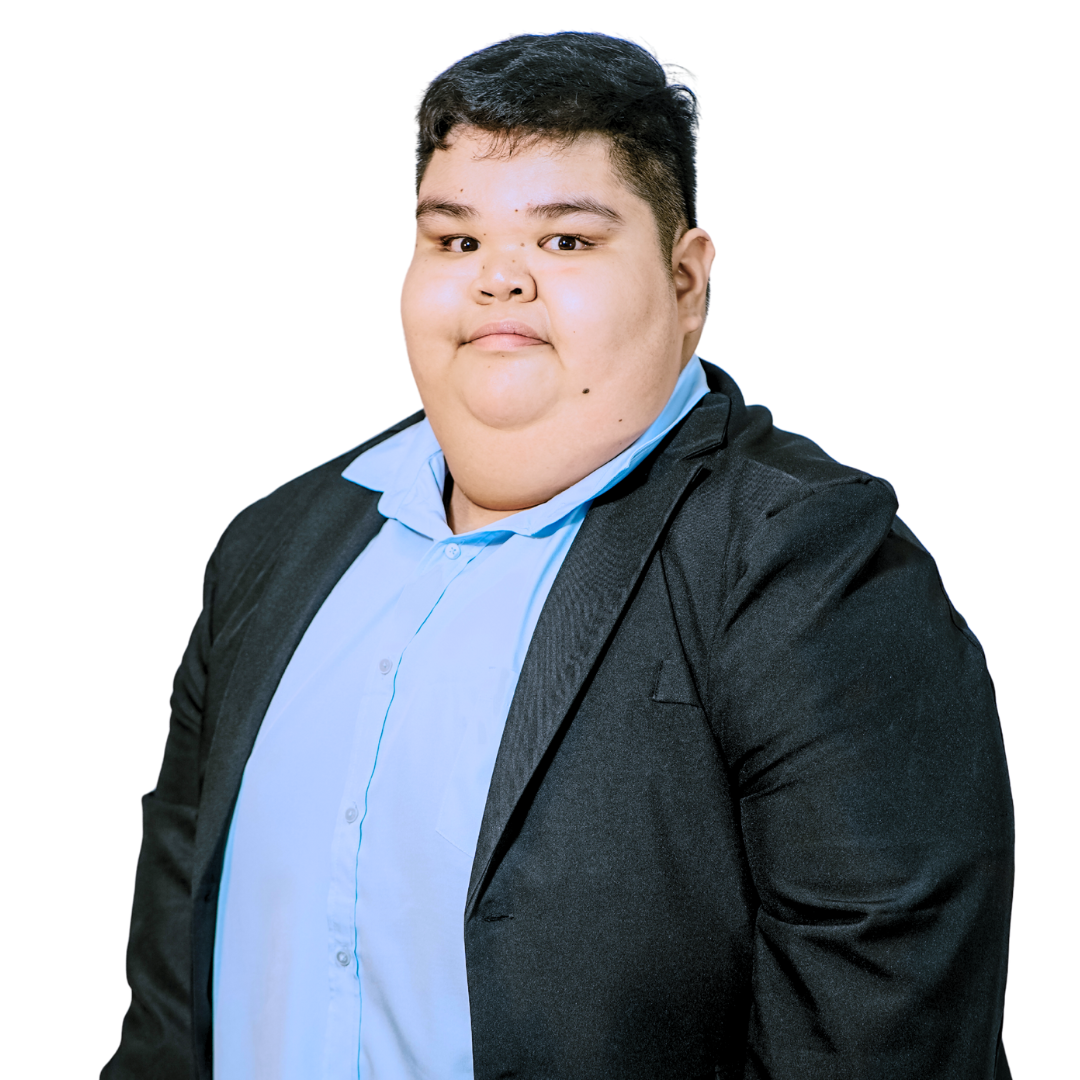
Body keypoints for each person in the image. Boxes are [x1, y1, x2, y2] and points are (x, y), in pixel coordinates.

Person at [102, 31, 1013, 1080]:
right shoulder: (274, 551)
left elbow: (880, 1051)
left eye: (567, 242)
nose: (500, 282)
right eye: (455, 242)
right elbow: (170, 1017)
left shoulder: (808, 570)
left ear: (684, 280)